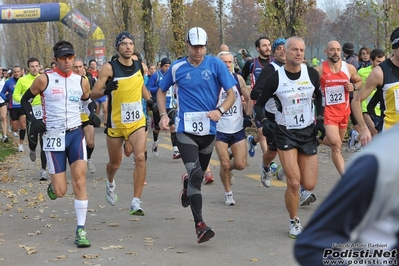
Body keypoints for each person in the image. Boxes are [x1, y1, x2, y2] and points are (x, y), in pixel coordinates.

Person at [157, 27, 236, 243]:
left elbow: (231, 94)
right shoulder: (177, 67)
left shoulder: (216, 65)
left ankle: (187, 183)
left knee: (197, 175)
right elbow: (161, 91)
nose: (198, 51)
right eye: (194, 46)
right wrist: (163, 115)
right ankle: (199, 224)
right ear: (187, 44)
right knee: (196, 174)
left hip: (209, 130)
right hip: (185, 130)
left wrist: (220, 111)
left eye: (201, 46)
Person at [20, 40, 101, 247]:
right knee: (61, 191)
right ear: (55, 59)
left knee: (80, 181)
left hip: (75, 134)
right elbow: (25, 100)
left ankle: (81, 230)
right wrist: (34, 121)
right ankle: (53, 186)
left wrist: (91, 114)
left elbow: (86, 101)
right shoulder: (44, 79)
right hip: (53, 136)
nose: (67, 61)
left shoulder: (81, 80)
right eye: (63, 57)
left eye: (71, 57)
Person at [294, 124, 399, 266]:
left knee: (336, 145)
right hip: (291, 132)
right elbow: (312, 246)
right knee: (335, 145)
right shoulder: (379, 162)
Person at [254, 36, 325, 239]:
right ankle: (294, 221)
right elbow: (258, 104)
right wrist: (264, 121)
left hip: (307, 131)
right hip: (285, 131)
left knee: (309, 184)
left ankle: (269, 167)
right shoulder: (275, 78)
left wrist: (319, 120)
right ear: (285, 52)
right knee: (294, 183)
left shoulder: (311, 74)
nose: (299, 53)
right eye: (294, 49)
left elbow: (320, 97)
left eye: (302, 50)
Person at [91, 31, 154, 216]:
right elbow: (92, 94)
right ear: (118, 47)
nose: (128, 46)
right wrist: (105, 90)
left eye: (131, 43)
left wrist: (150, 101)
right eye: (124, 43)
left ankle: (136, 201)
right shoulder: (109, 68)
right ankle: (110, 182)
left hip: (137, 121)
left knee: (140, 157)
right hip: (116, 123)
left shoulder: (140, 66)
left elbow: (141, 85)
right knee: (115, 163)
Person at [314, 41, 363, 176]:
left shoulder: (349, 68)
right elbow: (310, 86)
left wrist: (354, 87)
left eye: (337, 50)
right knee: (335, 145)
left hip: (344, 112)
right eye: (332, 50)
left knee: (338, 145)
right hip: (328, 112)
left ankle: (316, 140)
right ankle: (346, 178)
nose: (335, 52)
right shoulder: (320, 70)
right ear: (326, 52)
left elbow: (359, 81)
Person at [215, 51, 252, 206]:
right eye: (224, 62)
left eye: (230, 62)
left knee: (241, 164)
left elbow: (250, 98)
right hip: (219, 129)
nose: (228, 65)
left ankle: (228, 170)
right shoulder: (213, 81)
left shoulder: (238, 79)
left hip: (237, 128)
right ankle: (228, 193)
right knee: (223, 163)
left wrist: (248, 116)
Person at [352, 27, 399, 146]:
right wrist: (363, 128)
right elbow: (356, 100)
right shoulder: (380, 72)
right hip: (390, 136)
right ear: (394, 48)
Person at [250, 38, 286, 187]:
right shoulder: (270, 70)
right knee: (273, 152)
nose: (283, 51)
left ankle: (303, 190)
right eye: (279, 49)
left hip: (293, 119)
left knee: (293, 151)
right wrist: (271, 92)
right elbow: (254, 94)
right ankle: (266, 167)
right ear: (274, 52)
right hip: (273, 117)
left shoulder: (301, 69)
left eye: (286, 48)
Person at [241, 37, 272, 160]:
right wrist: (244, 95)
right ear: (258, 49)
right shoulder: (251, 63)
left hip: (272, 102)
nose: (268, 47)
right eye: (264, 45)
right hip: (257, 101)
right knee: (263, 133)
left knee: (269, 130)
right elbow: (242, 79)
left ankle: (253, 141)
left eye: (269, 45)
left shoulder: (275, 62)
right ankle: (269, 165)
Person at [348, 48, 385, 148]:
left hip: (380, 108)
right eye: (378, 61)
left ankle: (356, 137)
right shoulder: (362, 72)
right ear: (372, 61)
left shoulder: (386, 72)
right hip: (366, 107)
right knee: (375, 131)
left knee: (375, 134)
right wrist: (356, 105)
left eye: (383, 61)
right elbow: (357, 90)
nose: (381, 64)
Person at [148, 57, 181, 159]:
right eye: (165, 66)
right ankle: (155, 142)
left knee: (172, 126)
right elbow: (149, 89)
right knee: (157, 128)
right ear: (161, 66)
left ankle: (175, 150)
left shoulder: (172, 75)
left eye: (169, 66)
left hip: (170, 105)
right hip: (159, 106)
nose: (167, 68)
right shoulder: (156, 75)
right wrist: (159, 88)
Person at [73, 58, 98, 173]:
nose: (78, 69)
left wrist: (92, 112)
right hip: (74, 118)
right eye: (75, 67)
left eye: (80, 67)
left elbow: (90, 98)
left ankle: (88, 158)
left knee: (90, 142)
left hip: (85, 114)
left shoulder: (86, 80)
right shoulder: (68, 81)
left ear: (84, 68)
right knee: (76, 145)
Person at [12, 58, 42, 154]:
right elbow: (15, 95)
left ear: (39, 67)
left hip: (42, 109)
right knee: (31, 134)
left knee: (43, 135)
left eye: (36, 66)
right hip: (29, 109)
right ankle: (32, 148)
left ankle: (44, 159)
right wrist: (25, 101)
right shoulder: (22, 80)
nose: (34, 68)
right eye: (32, 66)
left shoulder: (44, 78)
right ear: (28, 68)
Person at [1, 66, 26, 148]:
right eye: (15, 72)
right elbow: (1, 92)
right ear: (13, 73)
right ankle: (13, 127)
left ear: (21, 72)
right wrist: (6, 99)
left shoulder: (25, 81)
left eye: (18, 71)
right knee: (15, 129)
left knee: (23, 125)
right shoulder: (9, 82)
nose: (16, 73)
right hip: (13, 106)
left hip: (22, 105)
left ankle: (21, 144)